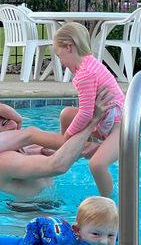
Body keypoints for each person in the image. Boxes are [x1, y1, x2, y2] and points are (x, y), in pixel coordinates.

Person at [0, 88, 114, 197]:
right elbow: (58, 165)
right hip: (26, 225)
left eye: (2, 108)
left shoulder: (29, 147)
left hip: (50, 215)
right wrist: (92, 122)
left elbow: (77, 153)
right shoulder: (2, 161)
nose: (2, 114)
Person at [53, 22, 125, 197]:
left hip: (119, 126)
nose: (61, 63)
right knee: (67, 115)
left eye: (59, 55)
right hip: (106, 121)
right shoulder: (89, 63)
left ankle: (108, 204)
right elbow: (87, 112)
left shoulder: (86, 74)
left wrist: (67, 136)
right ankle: (78, 150)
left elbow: (85, 113)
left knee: (97, 165)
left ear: (69, 47)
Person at [21, 196, 118, 245]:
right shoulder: (64, 241)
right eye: (96, 234)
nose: (104, 241)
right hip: (40, 227)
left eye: (111, 235)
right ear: (77, 230)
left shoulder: (111, 234)